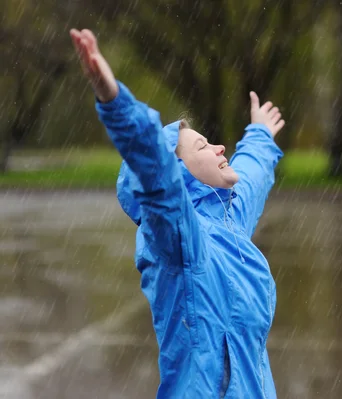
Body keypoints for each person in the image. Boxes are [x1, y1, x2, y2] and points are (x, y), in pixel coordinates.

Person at [70, 28, 285, 398]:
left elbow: (250, 176)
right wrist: (114, 101)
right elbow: (155, 169)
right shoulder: (183, 236)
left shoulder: (228, 220)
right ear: (181, 173)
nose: (219, 147)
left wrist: (260, 135)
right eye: (203, 144)